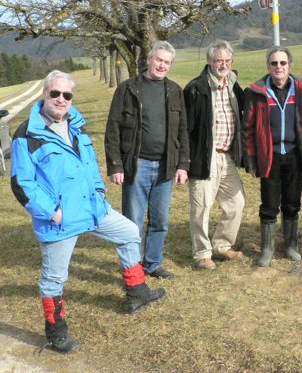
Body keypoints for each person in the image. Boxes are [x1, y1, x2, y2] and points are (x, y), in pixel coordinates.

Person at [10, 71, 165, 354]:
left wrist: (99, 193)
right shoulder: (27, 134)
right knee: (54, 277)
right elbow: (22, 183)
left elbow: (91, 165)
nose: (60, 99)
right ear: (44, 94)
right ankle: (56, 332)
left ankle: (137, 293)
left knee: (130, 232)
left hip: (92, 209)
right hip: (59, 220)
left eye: (66, 95)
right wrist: (51, 212)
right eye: (55, 93)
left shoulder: (77, 127)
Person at [105, 41, 189, 280]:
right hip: (136, 165)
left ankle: (153, 264)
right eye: (159, 60)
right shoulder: (128, 89)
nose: (162, 65)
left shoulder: (174, 91)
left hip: (165, 166)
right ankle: (132, 269)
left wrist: (183, 164)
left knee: (160, 221)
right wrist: (116, 165)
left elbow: (182, 130)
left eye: (167, 62)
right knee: (132, 222)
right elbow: (113, 128)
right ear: (150, 59)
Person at [243, 46, 302, 267]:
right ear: (268, 66)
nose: (279, 67)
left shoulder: (301, 89)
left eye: (283, 63)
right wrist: (250, 158)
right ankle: (267, 249)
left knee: (292, 203)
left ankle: (291, 245)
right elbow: (247, 129)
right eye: (274, 63)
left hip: (295, 154)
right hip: (269, 156)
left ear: (290, 66)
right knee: (269, 204)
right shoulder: (256, 92)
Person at [183, 41, 245, 271]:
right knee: (202, 207)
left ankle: (221, 245)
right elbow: (185, 128)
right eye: (219, 60)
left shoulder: (233, 85)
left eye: (228, 61)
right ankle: (202, 254)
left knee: (236, 202)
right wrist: (185, 161)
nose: (224, 64)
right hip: (204, 157)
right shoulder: (196, 89)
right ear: (209, 61)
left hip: (226, 156)